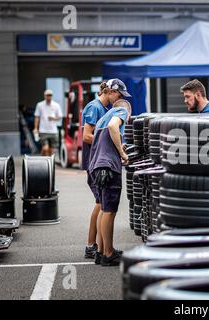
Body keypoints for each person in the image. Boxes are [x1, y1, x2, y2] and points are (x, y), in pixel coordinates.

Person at [82, 79, 131, 262]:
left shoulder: (104, 115)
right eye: (120, 94)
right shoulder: (121, 110)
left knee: (104, 208)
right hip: (108, 166)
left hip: (96, 165)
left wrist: (119, 145)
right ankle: (109, 253)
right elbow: (112, 127)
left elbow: (99, 138)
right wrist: (121, 153)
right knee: (109, 210)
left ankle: (101, 252)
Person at [33, 89, 63, 156]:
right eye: (47, 95)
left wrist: (53, 118)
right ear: (44, 96)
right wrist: (35, 128)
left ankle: (48, 162)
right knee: (45, 148)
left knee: (52, 150)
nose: (49, 97)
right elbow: (37, 117)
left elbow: (60, 116)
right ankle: (43, 160)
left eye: (50, 95)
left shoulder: (56, 105)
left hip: (53, 130)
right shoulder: (40, 105)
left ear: (52, 96)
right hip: (43, 130)